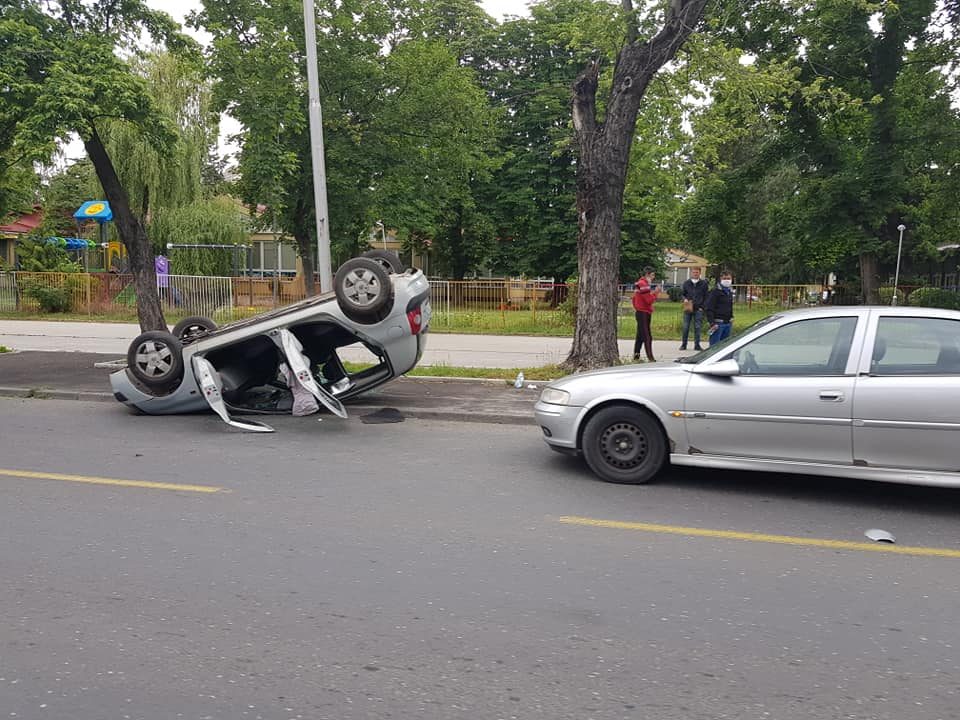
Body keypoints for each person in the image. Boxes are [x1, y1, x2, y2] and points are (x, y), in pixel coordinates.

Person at [632, 266, 658, 362]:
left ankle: (636, 356)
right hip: (643, 312)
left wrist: (637, 307)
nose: (653, 277)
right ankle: (650, 358)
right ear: (647, 274)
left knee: (640, 336)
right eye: (652, 275)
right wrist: (655, 293)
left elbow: (634, 299)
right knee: (647, 336)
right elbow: (649, 300)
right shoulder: (643, 284)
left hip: (641, 311)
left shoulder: (639, 283)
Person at [679, 267, 708, 351]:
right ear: (691, 273)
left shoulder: (703, 284)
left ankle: (697, 345)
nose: (695, 274)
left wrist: (702, 307)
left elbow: (706, 296)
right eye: (694, 272)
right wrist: (684, 299)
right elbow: (682, 294)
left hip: (698, 308)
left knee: (697, 327)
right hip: (688, 307)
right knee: (685, 327)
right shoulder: (686, 283)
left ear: (700, 273)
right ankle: (684, 344)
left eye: (697, 272)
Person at [704, 270, 735, 345]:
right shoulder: (715, 292)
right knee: (715, 346)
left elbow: (729, 306)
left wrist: (731, 317)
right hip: (718, 324)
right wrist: (712, 323)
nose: (727, 280)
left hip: (728, 323)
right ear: (721, 279)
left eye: (728, 278)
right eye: (725, 278)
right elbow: (709, 308)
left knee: (724, 346)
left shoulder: (729, 292)